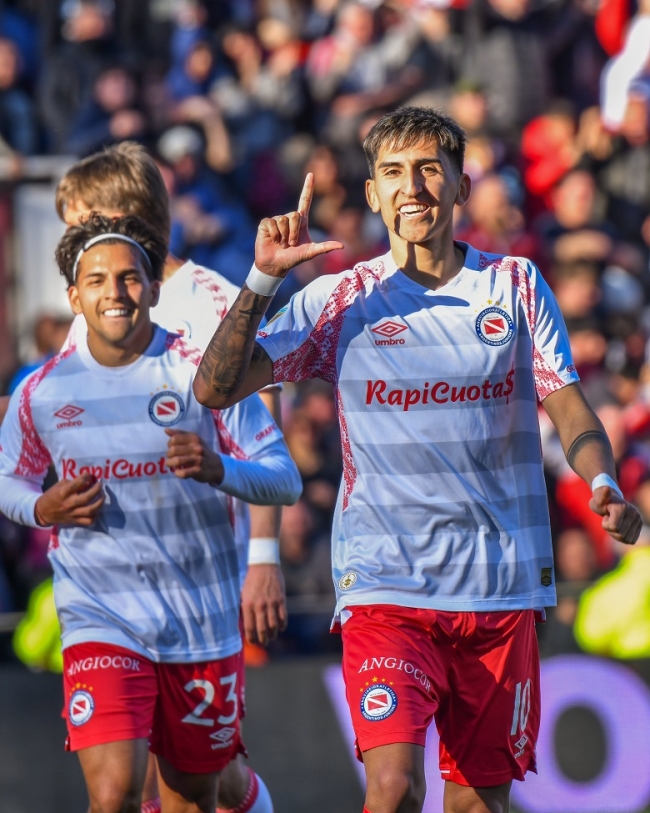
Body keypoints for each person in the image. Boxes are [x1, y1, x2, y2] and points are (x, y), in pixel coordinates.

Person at [191, 106, 643, 813]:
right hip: (386, 588)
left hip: (498, 590)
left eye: (431, 169)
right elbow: (213, 388)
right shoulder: (342, 299)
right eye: (394, 173)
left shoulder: (517, 285)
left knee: (474, 804)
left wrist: (603, 478)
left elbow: (568, 404)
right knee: (394, 788)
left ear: (461, 185)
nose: (414, 188)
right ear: (372, 193)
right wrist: (260, 279)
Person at [0, 213, 301, 813]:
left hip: (199, 620)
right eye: (97, 281)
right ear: (74, 297)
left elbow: (285, 478)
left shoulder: (203, 376)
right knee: (112, 794)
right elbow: (9, 480)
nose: (115, 292)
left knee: (192, 796)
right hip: (100, 616)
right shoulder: (43, 391)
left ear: (155, 290)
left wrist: (220, 469)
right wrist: (41, 506)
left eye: (129, 278)